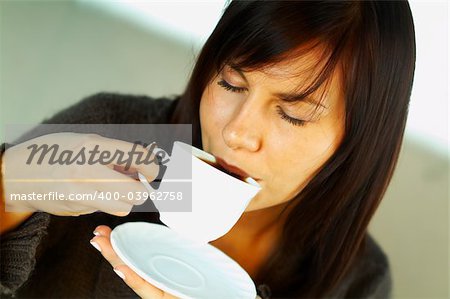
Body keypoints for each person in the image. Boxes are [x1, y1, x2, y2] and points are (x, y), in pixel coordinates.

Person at [0, 1, 416, 298]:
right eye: (231, 84)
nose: (236, 132)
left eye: (292, 114)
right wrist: (10, 185)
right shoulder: (107, 130)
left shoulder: (359, 281)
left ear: (358, 141)